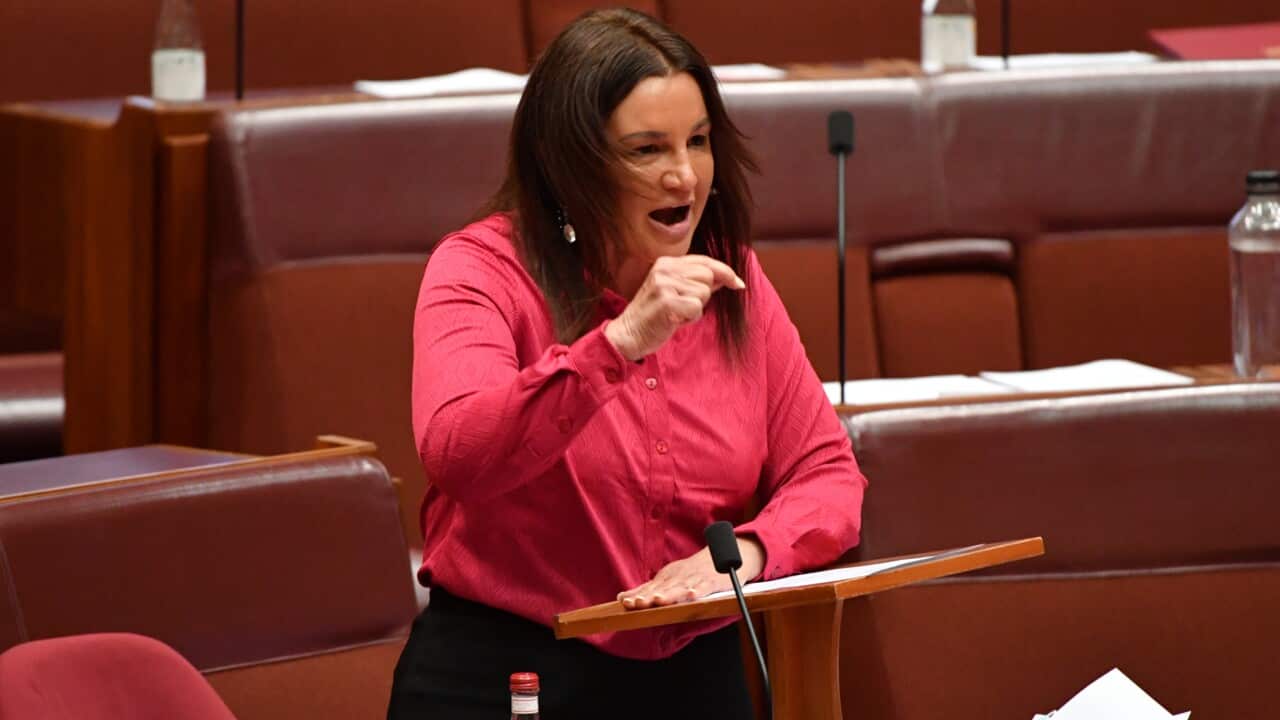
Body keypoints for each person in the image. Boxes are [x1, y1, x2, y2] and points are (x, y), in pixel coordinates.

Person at [388, 8, 867, 720]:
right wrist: (618, 345)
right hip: (512, 673)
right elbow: (459, 454)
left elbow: (827, 474)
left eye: (698, 141)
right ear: (569, 166)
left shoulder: (731, 278)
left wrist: (746, 554)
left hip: (694, 674)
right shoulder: (481, 270)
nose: (684, 176)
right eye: (647, 150)